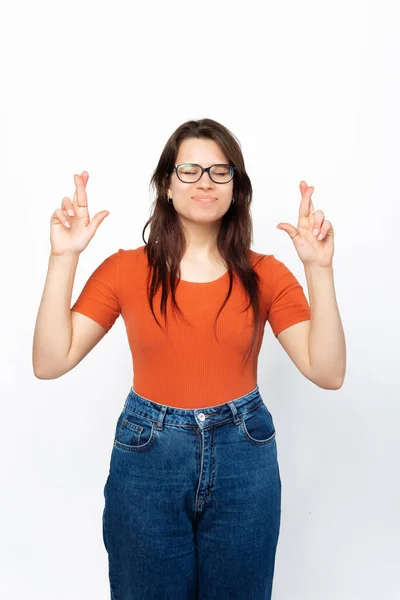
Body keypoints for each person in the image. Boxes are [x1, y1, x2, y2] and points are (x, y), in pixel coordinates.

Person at [33, 118, 338, 599]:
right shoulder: (125, 270)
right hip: (147, 458)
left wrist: (319, 269)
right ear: (167, 186)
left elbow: (328, 371)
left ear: (236, 190)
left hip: (245, 456)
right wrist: (63, 257)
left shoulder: (267, 274)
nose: (205, 182)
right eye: (190, 170)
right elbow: (50, 361)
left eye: (221, 172)